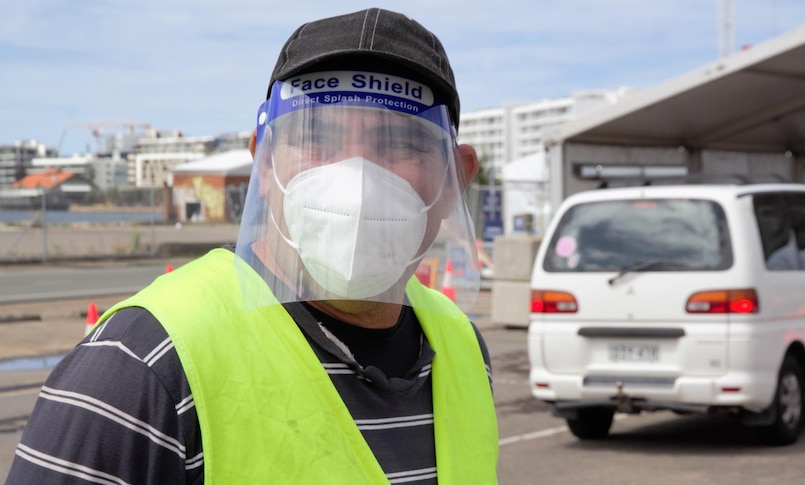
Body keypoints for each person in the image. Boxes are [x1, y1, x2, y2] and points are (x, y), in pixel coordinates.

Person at [6, 8, 498, 484]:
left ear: (457, 178)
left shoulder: (463, 349)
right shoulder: (143, 366)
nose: (356, 179)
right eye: (317, 137)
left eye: (399, 143)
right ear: (263, 166)